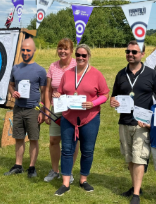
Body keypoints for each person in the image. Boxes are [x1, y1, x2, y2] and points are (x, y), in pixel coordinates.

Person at [52, 44, 109, 196]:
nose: (81, 58)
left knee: (87, 151)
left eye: (84, 55)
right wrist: (57, 95)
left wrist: (93, 103)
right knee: (67, 150)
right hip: (68, 118)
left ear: (88, 56)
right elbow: (60, 91)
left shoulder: (96, 74)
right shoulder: (68, 73)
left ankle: (83, 180)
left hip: (90, 118)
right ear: (75, 56)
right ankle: (65, 183)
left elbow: (105, 94)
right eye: (78, 55)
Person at [110, 40, 156, 204]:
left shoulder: (151, 74)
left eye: (134, 52)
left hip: (142, 123)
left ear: (142, 54)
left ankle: (136, 194)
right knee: (130, 157)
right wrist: (113, 102)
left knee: (140, 157)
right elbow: (114, 95)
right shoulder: (120, 74)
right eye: (128, 51)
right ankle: (134, 186)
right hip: (124, 121)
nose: (130, 54)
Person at [4, 38, 47, 178]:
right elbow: (10, 85)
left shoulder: (40, 70)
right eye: (23, 49)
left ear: (34, 51)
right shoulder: (15, 68)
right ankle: (18, 165)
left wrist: (42, 111)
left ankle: (32, 167)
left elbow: (44, 92)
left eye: (28, 50)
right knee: (19, 138)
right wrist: (13, 92)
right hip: (18, 108)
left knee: (33, 139)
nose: (25, 52)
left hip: (33, 110)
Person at [44, 38, 79, 183]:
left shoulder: (78, 65)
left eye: (66, 49)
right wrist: (47, 110)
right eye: (60, 48)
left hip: (73, 109)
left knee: (72, 141)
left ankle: (68, 172)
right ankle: (55, 170)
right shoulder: (52, 66)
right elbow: (47, 90)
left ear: (71, 51)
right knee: (53, 139)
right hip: (56, 108)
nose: (62, 51)